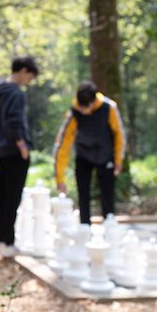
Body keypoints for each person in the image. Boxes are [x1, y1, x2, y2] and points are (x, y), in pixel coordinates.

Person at [53, 82, 126, 224]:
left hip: (106, 155)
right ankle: (84, 228)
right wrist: (59, 178)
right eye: (79, 107)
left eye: (84, 108)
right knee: (83, 195)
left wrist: (118, 160)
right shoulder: (73, 113)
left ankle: (109, 227)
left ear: (92, 103)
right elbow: (62, 145)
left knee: (107, 195)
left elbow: (119, 134)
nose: (81, 110)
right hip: (83, 156)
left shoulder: (109, 108)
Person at [0, 56, 39, 258]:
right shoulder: (16, 94)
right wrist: (22, 146)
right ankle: (8, 242)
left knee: (3, 198)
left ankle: (3, 241)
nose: (28, 82)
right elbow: (14, 122)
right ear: (24, 70)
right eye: (30, 77)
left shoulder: (0, 90)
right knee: (12, 198)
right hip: (15, 152)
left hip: (2, 150)